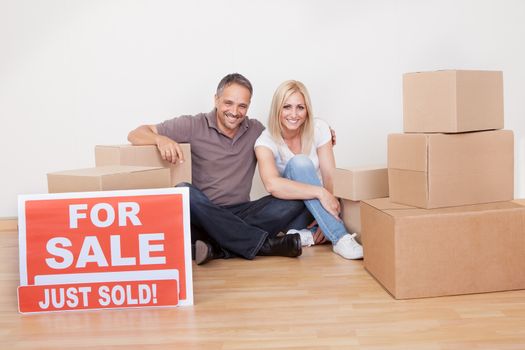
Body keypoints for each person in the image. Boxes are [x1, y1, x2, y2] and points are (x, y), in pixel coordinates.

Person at [128, 73, 311, 265]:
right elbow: (135, 134)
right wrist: (160, 139)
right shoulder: (193, 124)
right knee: (183, 190)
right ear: (216, 99)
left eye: (242, 106)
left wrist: (322, 133)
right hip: (203, 214)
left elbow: (290, 132)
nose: (234, 111)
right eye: (228, 103)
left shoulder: (257, 130)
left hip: (241, 213)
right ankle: (266, 245)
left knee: (296, 200)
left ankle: (216, 248)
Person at [254, 80, 363, 260]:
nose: (294, 114)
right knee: (300, 163)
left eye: (300, 108)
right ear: (277, 110)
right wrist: (320, 194)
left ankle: (312, 234)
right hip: (293, 211)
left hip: (321, 208)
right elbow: (272, 184)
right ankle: (340, 237)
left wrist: (326, 218)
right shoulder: (265, 141)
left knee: (306, 168)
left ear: (307, 110)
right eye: (287, 107)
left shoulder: (319, 128)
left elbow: (329, 176)